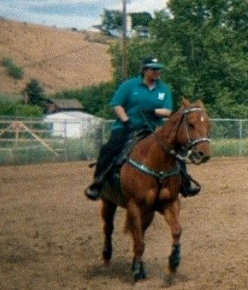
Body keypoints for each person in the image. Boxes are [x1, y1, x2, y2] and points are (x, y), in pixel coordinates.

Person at [84, 57, 199, 200]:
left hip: (154, 130)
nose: (158, 72)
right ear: (145, 70)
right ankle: (98, 184)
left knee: (175, 150)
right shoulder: (129, 85)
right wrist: (126, 121)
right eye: (154, 69)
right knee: (108, 149)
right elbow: (117, 104)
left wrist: (153, 111)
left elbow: (168, 111)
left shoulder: (163, 88)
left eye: (159, 69)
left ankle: (185, 183)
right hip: (126, 127)